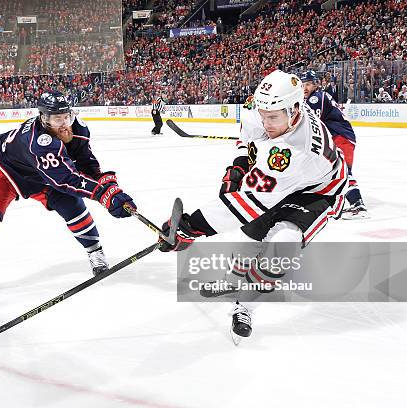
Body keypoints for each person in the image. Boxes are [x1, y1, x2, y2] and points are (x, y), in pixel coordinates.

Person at [158, 70, 348, 340]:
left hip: (317, 191)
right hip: (284, 180)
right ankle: (232, 280)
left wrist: (191, 228)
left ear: (295, 111)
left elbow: (248, 204)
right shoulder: (268, 106)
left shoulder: (296, 151)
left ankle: (245, 304)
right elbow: (248, 139)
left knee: (283, 244)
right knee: (251, 234)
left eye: (273, 118)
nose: (266, 122)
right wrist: (238, 167)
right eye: (263, 115)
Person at [0, 91, 136, 303]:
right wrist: (103, 194)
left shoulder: (77, 129)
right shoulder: (39, 143)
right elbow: (67, 179)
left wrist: (108, 186)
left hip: (42, 175)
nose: (64, 124)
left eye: (66, 116)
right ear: (44, 119)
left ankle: (95, 252)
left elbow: (86, 163)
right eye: (56, 119)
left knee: (72, 206)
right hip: (4, 171)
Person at [301, 70, 368, 219]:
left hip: (340, 137)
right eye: (303, 85)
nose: (305, 88)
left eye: (309, 84)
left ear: (315, 84)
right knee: (329, 172)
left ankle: (358, 205)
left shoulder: (315, 98)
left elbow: (311, 124)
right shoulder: (317, 96)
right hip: (339, 137)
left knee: (342, 171)